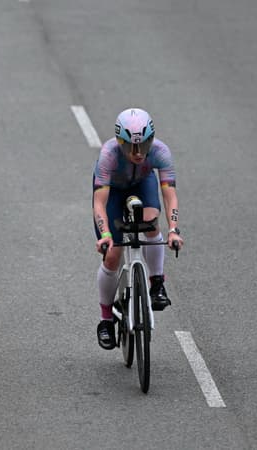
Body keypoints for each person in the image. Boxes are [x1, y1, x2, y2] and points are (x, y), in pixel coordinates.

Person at [92, 108, 184, 350]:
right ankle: (105, 320)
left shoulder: (161, 152)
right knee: (113, 254)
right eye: (130, 146)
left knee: (152, 222)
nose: (137, 153)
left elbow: (169, 195)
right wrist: (105, 235)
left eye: (143, 146)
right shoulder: (108, 156)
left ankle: (156, 283)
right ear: (119, 142)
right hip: (113, 191)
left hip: (142, 183)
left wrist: (174, 229)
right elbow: (99, 202)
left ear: (151, 141)